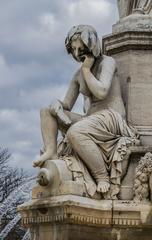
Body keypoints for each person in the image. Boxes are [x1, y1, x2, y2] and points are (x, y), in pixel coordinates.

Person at [33, 25, 139, 197]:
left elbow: (101, 91)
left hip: (111, 117)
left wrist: (86, 70)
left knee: (75, 132)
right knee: (46, 110)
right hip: (91, 119)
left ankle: (102, 177)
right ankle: (51, 150)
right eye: (73, 49)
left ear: (92, 45)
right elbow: (67, 103)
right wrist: (57, 104)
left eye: (80, 48)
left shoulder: (107, 62)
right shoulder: (78, 75)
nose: (77, 54)